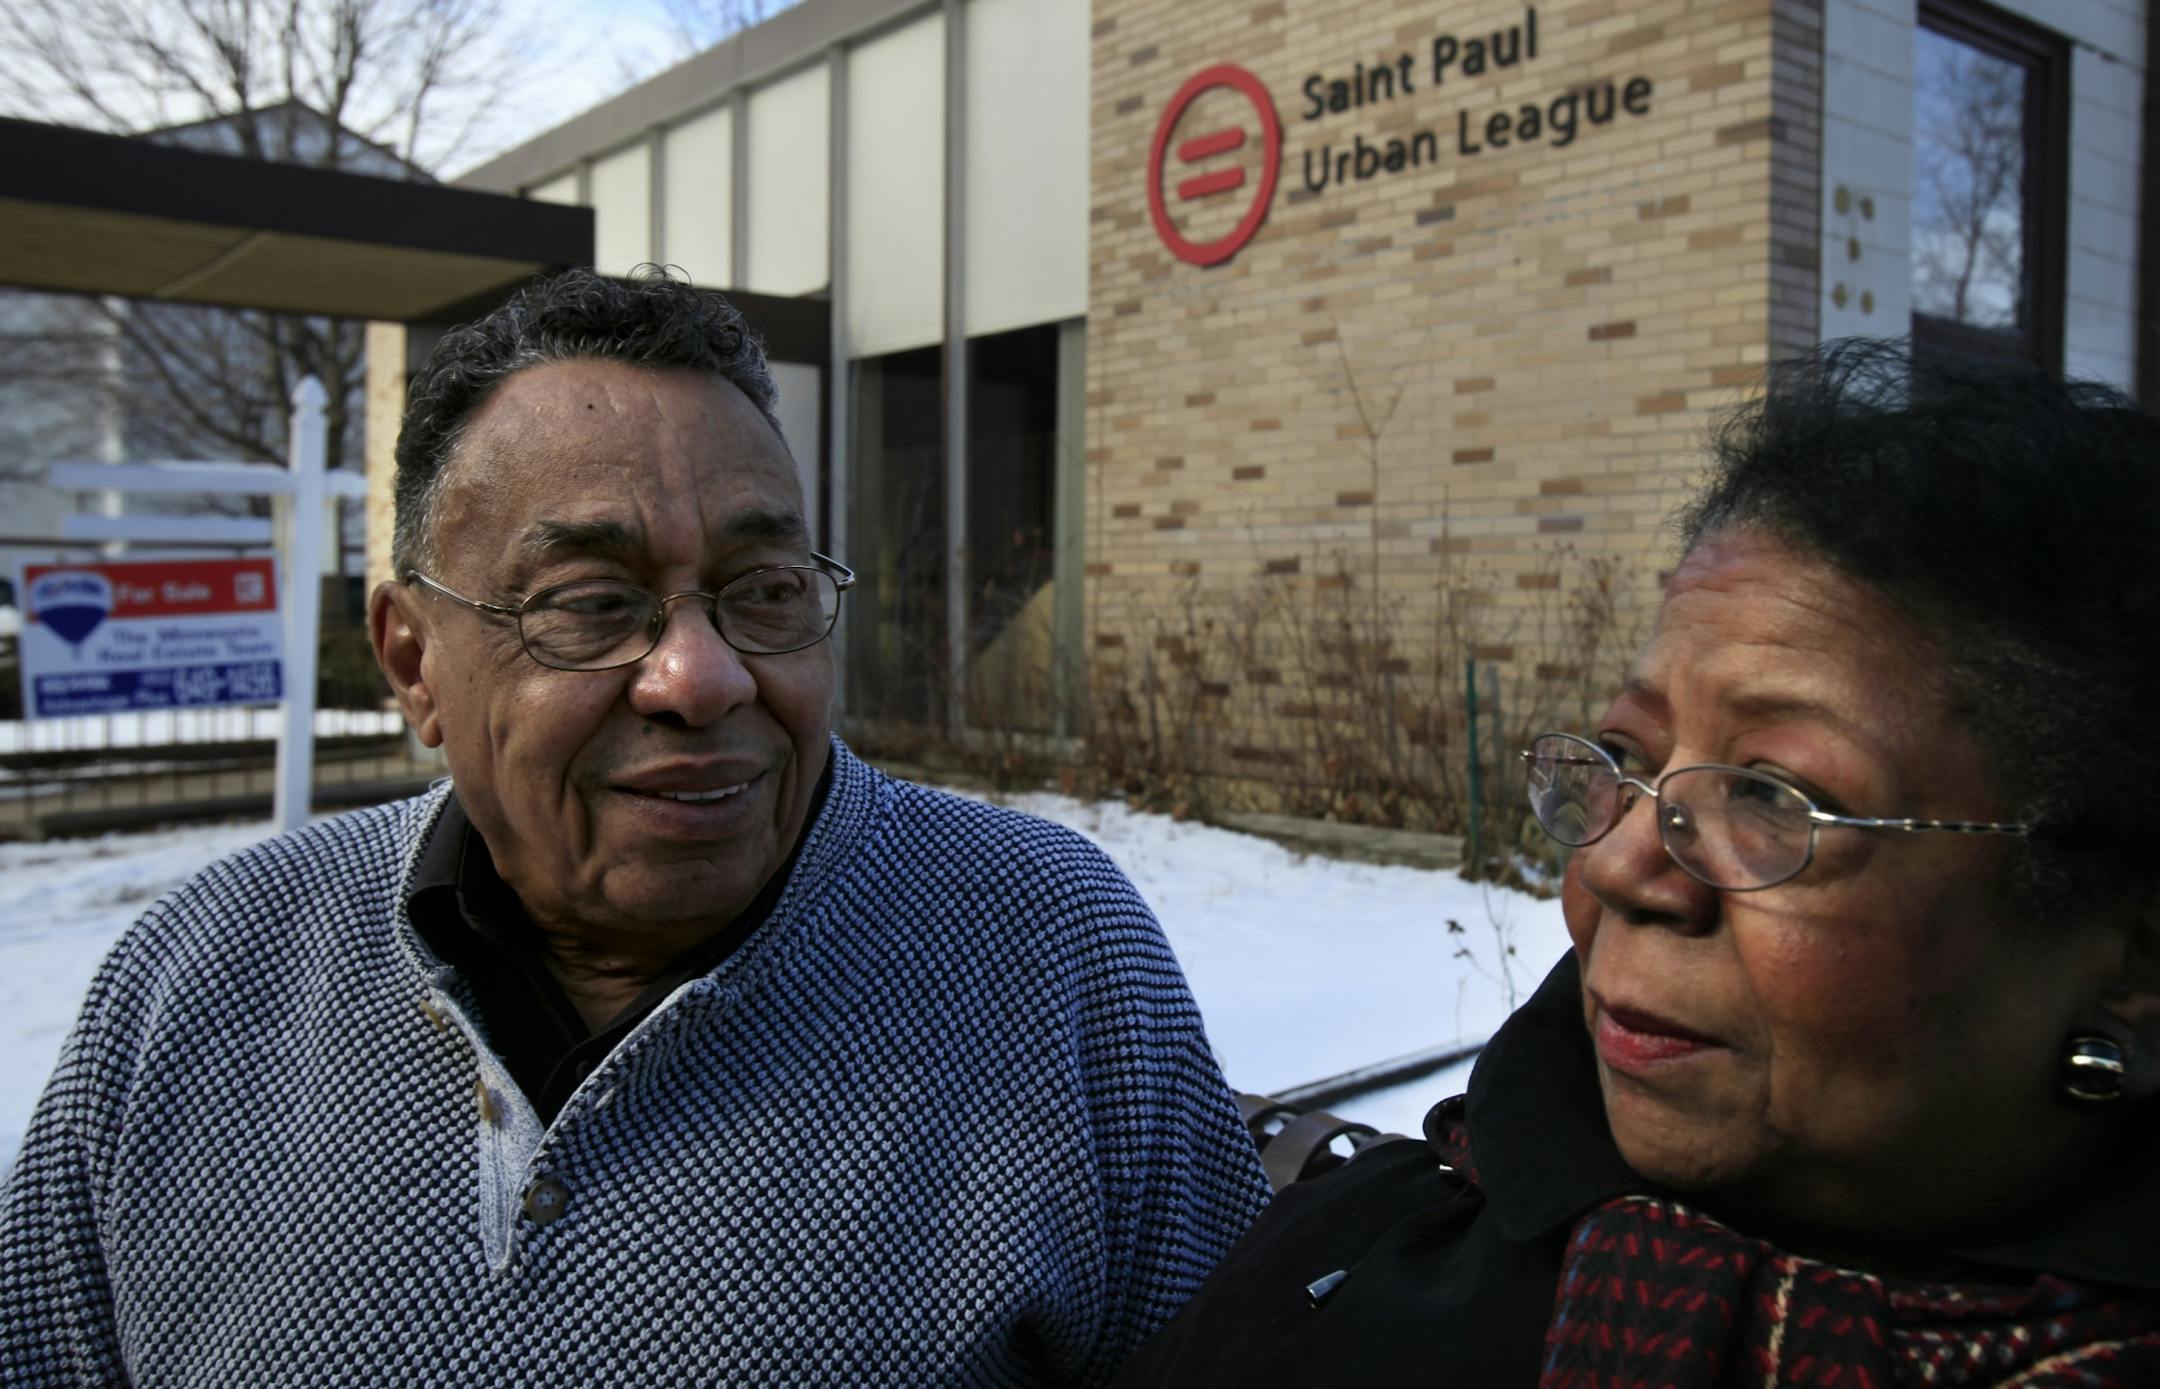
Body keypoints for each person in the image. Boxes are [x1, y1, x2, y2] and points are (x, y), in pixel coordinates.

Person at [0, 267, 1268, 1386]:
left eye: (764, 591)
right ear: (413, 660)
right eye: (592, 603)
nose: (700, 678)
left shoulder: (1048, 951)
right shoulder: (197, 979)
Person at [1113, 340, 2160, 1386]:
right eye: (1629, 759)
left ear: (2134, 955)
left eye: (1774, 794)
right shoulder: (1362, 1252)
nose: (1616, 865)